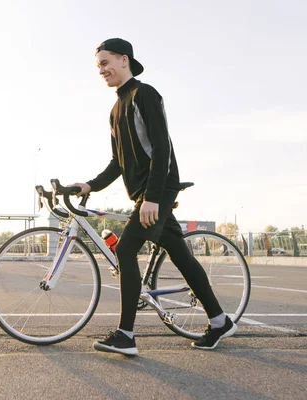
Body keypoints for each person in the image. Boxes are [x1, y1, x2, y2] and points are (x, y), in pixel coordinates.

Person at [68, 38, 236, 356]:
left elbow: (162, 148)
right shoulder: (115, 109)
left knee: (127, 248)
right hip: (145, 196)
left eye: (105, 62)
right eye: (98, 66)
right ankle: (219, 321)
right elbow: (118, 162)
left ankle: (126, 335)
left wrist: (154, 198)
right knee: (181, 256)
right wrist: (89, 186)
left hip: (157, 191)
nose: (101, 70)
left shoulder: (145, 94)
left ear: (123, 59)